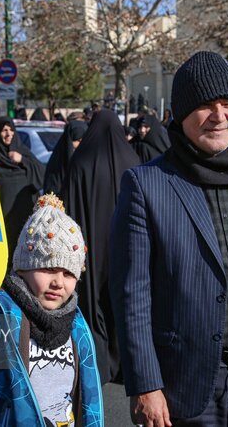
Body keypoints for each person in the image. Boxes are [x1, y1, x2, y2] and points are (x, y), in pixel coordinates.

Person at [109, 51, 228, 426]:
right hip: (183, 383)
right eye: (204, 105)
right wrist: (146, 384)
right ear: (181, 114)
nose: (219, 116)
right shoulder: (147, 184)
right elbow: (132, 294)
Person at [0, 193, 103, 426]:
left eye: (69, 273)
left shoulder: (76, 323)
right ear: (22, 268)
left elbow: (86, 399)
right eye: (48, 268)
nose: (58, 282)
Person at [61, 109, 140, 384]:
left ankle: (99, 363)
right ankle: (124, 364)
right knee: (122, 297)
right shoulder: (132, 159)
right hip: (126, 244)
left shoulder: (81, 161)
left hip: (90, 248)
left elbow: (68, 209)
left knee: (92, 298)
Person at [0, 117, 45, 262]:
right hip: (3, 218)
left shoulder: (22, 152)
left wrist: (23, 161)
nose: (9, 134)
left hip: (24, 216)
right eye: (4, 131)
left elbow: (40, 174)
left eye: (11, 130)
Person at [43, 119, 88, 195]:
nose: (80, 145)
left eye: (84, 140)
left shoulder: (88, 160)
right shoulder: (57, 163)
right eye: (78, 141)